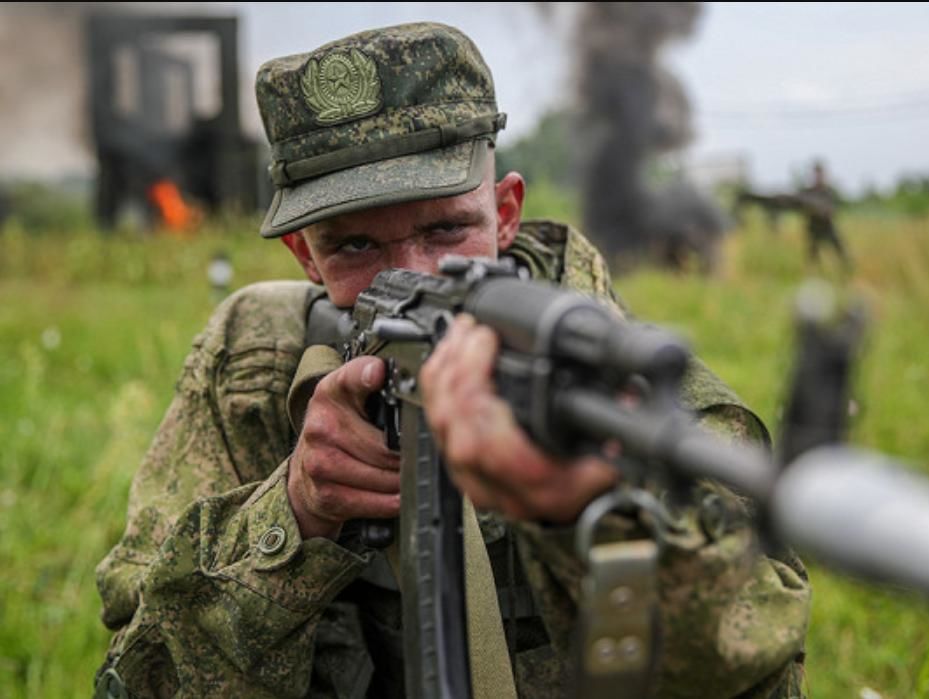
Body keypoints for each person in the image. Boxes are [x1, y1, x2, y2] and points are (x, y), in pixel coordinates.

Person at [94, 23, 810, 699]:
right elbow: (140, 675)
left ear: (504, 213)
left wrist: (591, 517)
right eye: (355, 246)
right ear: (303, 255)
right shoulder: (257, 361)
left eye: (445, 228)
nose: (417, 276)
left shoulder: (634, 397)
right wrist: (294, 512)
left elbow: (755, 675)